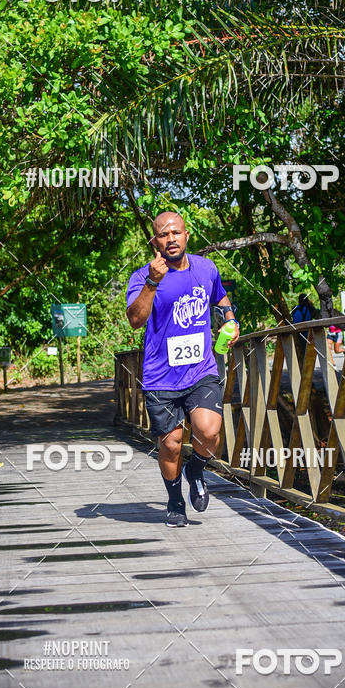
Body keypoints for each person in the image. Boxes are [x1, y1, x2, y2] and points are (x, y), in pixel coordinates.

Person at [126, 211, 240, 527]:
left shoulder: (206, 267)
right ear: (155, 241)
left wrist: (230, 318)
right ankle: (175, 501)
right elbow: (135, 320)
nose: (171, 238)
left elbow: (221, 296)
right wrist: (152, 282)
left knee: (209, 431)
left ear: (187, 235)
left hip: (201, 369)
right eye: (163, 234)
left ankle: (196, 469)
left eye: (176, 232)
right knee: (171, 444)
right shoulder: (142, 276)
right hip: (161, 375)